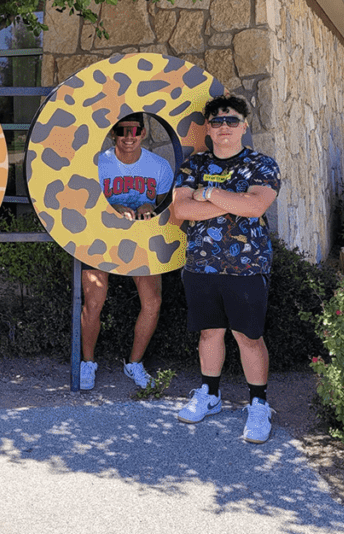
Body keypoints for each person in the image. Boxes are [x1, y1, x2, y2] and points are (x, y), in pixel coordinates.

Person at [169, 94, 281, 444]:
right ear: (209, 128)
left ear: (244, 126)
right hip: (201, 265)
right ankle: (210, 395)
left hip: (247, 267)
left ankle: (259, 405)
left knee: (249, 337)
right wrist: (232, 200)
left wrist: (208, 194)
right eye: (217, 122)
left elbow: (256, 205)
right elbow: (181, 212)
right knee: (209, 334)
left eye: (231, 121)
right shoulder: (194, 164)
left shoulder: (262, 164)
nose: (224, 127)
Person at [80, 113, 173, 391]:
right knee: (94, 301)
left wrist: (150, 210)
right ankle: (87, 362)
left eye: (135, 131)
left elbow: (165, 208)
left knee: (152, 302)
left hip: (142, 241)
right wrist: (113, 209)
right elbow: (84, 205)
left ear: (143, 133)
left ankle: (135, 363)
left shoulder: (159, 166)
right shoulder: (99, 164)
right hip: (100, 238)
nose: (128, 137)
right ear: (113, 134)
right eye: (122, 131)